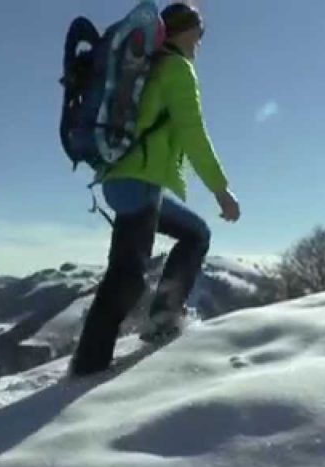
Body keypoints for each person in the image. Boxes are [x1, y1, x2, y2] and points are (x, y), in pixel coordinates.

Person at [70, 2, 241, 377]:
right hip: (139, 182)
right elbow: (194, 134)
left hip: (125, 178)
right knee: (126, 276)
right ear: (186, 31)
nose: (200, 42)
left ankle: (164, 316)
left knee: (195, 234)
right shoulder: (177, 69)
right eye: (199, 32)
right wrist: (221, 191)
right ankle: (89, 365)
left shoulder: (151, 66)